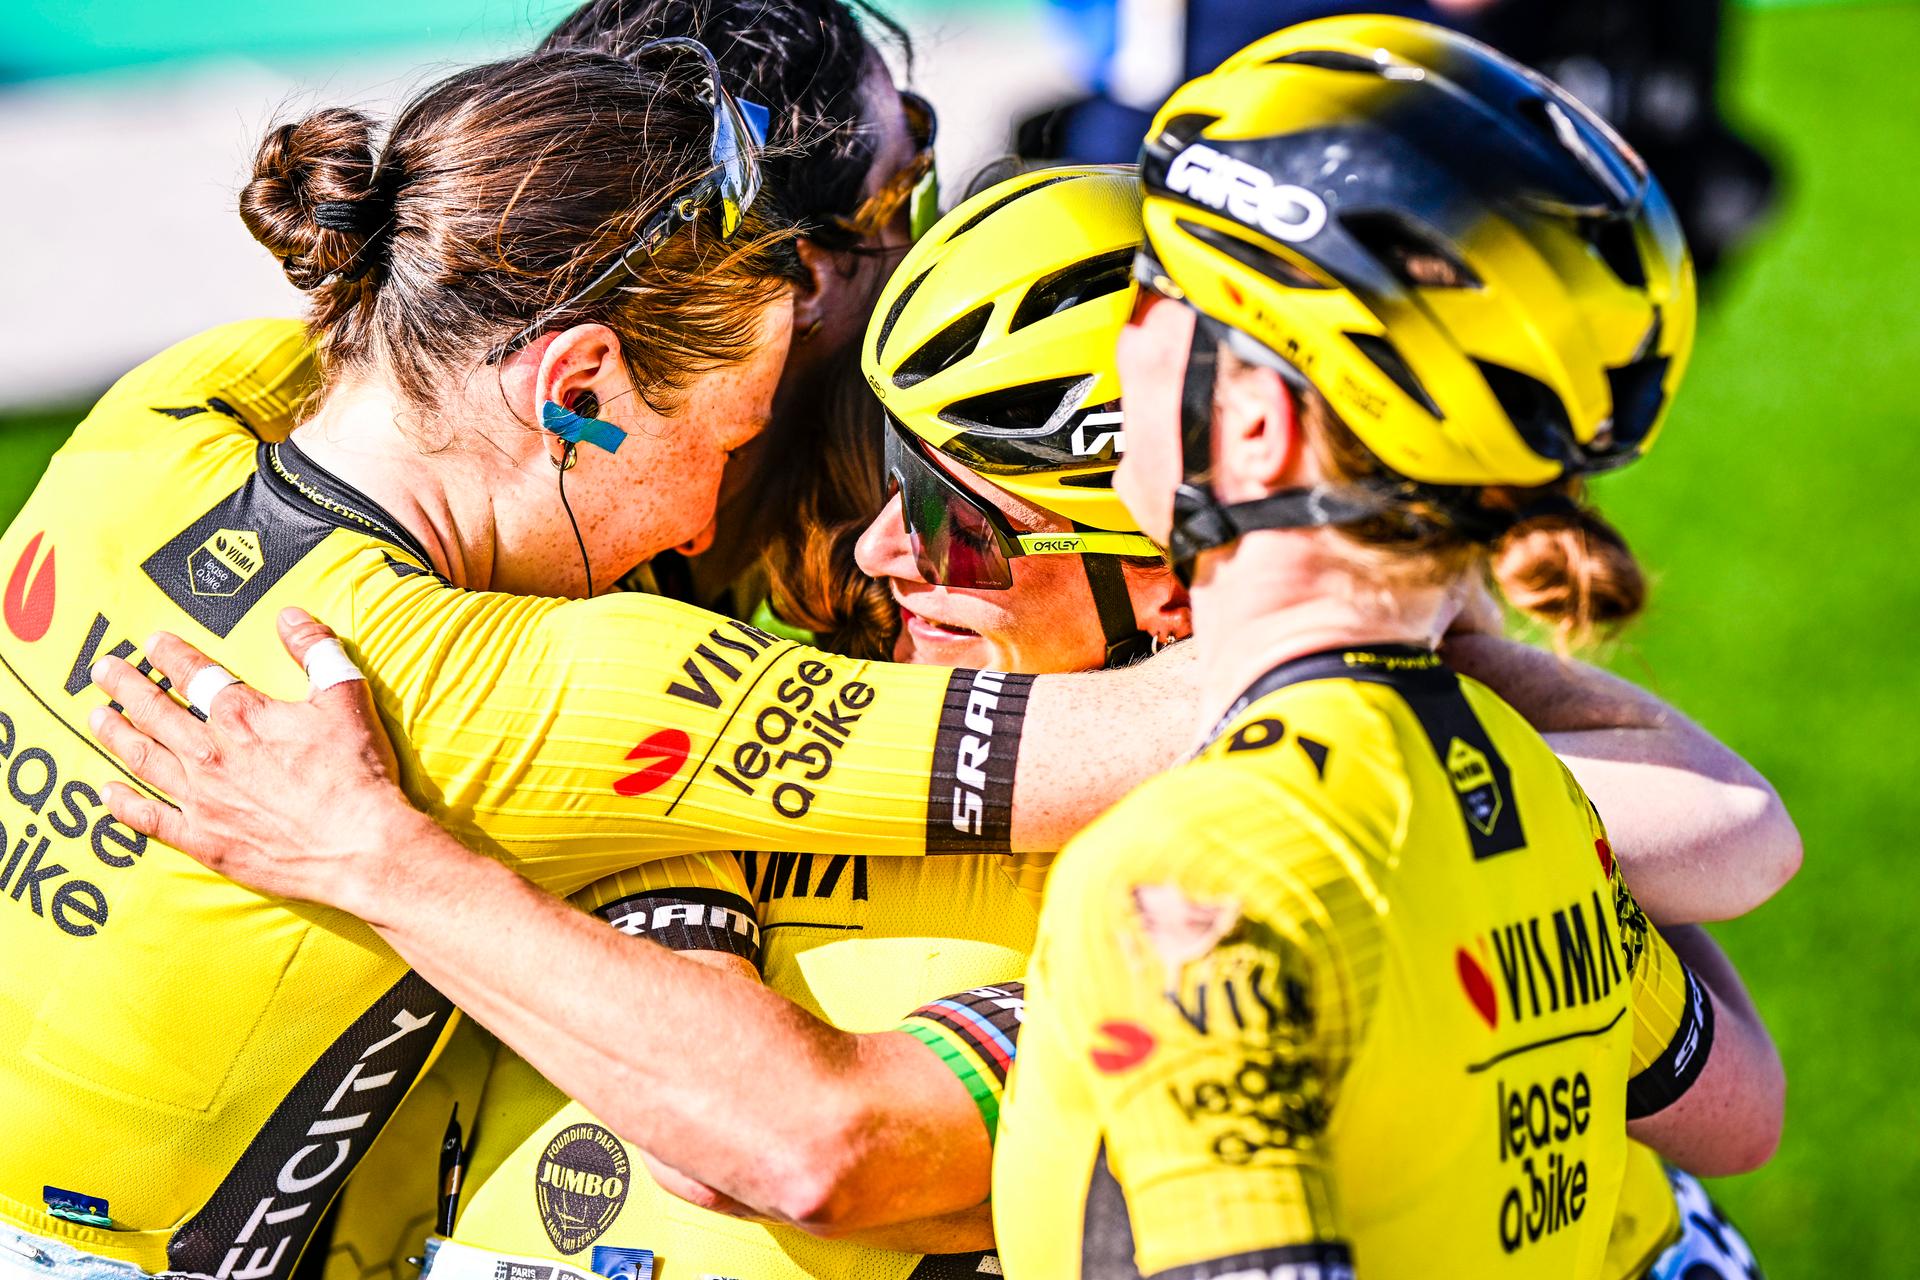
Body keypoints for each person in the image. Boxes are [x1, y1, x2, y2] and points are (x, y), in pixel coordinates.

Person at [84, 167, 1786, 1278]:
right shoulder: (824, 673)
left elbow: (823, 1143)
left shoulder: (1224, 876)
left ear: (1174, 579)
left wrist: (378, 858)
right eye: (880, 478)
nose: (886, 547)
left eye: (958, 519)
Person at [0, 40, 1208, 1280]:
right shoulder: (528, 685)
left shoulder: (167, 409)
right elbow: (1176, 717)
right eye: (727, 443)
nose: (699, 527)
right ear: (574, 382)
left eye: (953, 518)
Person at [990, 17, 1784, 1279]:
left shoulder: (1187, 877)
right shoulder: (1539, 802)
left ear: (1252, 427)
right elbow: (1746, 1114)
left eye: (1152, 296)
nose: (1118, 338)